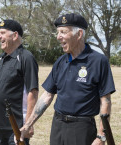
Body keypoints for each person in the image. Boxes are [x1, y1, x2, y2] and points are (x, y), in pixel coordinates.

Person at [19, 13, 115, 145]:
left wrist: (101, 136)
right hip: (58, 126)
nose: (58, 37)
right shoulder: (60, 62)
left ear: (79, 34)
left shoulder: (99, 61)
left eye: (63, 32)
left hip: (82, 128)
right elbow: (47, 95)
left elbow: (106, 101)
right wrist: (28, 124)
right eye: (58, 32)